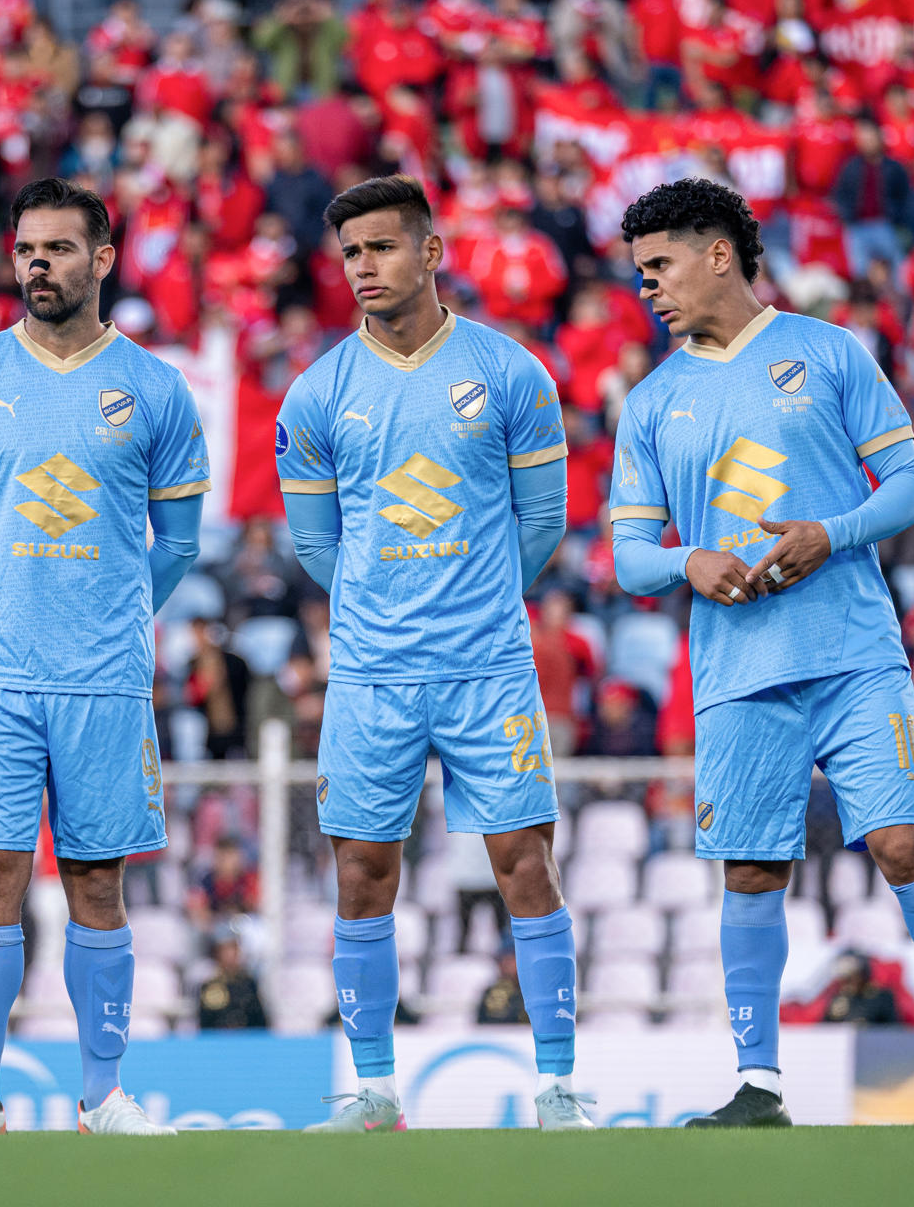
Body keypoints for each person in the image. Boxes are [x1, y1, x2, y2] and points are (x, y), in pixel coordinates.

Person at [609, 178, 914, 1129]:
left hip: (852, 652)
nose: (647, 288)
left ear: (719, 255)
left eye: (660, 266)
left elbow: (909, 488)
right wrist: (688, 561)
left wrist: (832, 534)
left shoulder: (827, 352)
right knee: (750, 873)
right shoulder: (651, 401)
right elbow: (628, 555)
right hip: (738, 671)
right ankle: (760, 1087)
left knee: (904, 845)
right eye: (639, 273)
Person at [275, 175, 591, 1132]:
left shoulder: (511, 373)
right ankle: (374, 1093)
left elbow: (543, 521)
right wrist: (383, 605)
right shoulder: (317, 394)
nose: (363, 267)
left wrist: (474, 600)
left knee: (524, 865)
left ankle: (558, 1089)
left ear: (431, 250)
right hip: (371, 674)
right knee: (362, 873)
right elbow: (317, 545)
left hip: (488, 667)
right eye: (351, 253)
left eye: (381, 247)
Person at [0, 177, 208, 1137]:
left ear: (103, 259)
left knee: (96, 883)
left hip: (104, 680)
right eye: (27, 248)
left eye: (61, 248)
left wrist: (108, 614)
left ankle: (103, 1095)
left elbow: (181, 542)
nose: (39, 263)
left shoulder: (156, 390)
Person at [195, 934, 268, 1030]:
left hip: (247, 1036)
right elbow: (206, 1022)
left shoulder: (248, 983)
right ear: (218, 953)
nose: (231, 955)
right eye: (226, 951)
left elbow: (259, 1019)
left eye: (234, 950)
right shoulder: (211, 986)